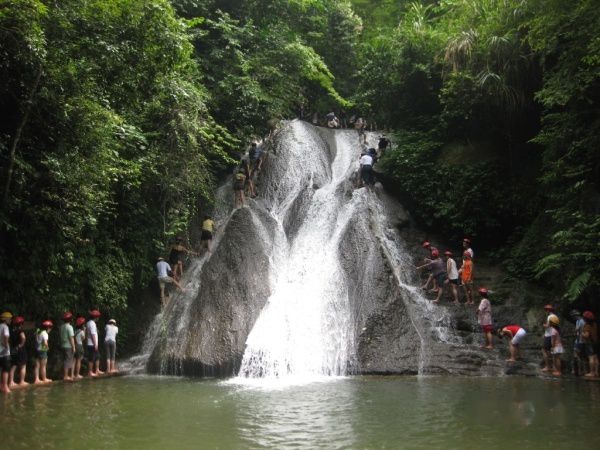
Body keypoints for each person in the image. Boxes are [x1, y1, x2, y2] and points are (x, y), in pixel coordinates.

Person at [9, 315, 27, 387]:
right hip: (20, 349)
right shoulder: (20, 330)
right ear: (21, 323)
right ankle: (22, 381)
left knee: (13, 365)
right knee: (23, 365)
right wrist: (20, 345)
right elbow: (23, 338)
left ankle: (11, 382)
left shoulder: (11, 330)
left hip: (13, 349)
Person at [34, 320, 53, 384]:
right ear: (47, 327)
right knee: (43, 366)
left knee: (37, 365)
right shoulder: (45, 333)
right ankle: (44, 379)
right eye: (50, 328)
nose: (50, 329)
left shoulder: (38, 331)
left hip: (37, 350)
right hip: (43, 350)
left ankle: (36, 379)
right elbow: (45, 342)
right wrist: (47, 347)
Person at [541, 304, 559, 372]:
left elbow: (548, 326)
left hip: (549, 335)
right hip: (554, 334)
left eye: (546, 310)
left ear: (548, 310)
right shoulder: (555, 316)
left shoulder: (550, 317)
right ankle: (554, 367)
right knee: (552, 351)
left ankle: (548, 366)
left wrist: (543, 325)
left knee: (544, 350)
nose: (545, 311)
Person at [86, 310, 103, 377]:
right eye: (98, 317)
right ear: (96, 317)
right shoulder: (92, 324)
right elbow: (93, 334)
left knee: (97, 357)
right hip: (92, 344)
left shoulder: (88, 323)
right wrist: (95, 344)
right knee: (91, 358)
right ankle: (90, 372)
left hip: (90, 343)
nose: (98, 318)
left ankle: (97, 370)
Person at [60, 311, 76, 381]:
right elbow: (71, 338)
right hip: (68, 346)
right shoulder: (70, 327)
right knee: (67, 361)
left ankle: (65, 375)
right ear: (70, 319)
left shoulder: (61, 327)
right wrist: (74, 347)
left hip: (63, 345)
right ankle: (66, 376)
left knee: (65, 360)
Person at [581, 310, 598, 378]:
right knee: (596, 358)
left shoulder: (587, 325)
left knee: (591, 358)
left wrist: (582, 333)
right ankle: (596, 372)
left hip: (589, 343)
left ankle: (592, 372)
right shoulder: (594, 324)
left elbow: (586, 335)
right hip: (595, 342)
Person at [571, 310, 586, 376]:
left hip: (580, 340)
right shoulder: (578, 321)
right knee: (577, 355)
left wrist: (575, 332)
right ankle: (578, 370)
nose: (573, 318)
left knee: (577, 355)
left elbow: (578, 330)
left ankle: (580, 370)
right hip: (578, 340)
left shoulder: (581, 321)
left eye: (573, 316)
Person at [0, 312, 12, 394]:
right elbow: (6, 337)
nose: (10, 320)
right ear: (5, 319)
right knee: (5, 370)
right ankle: (5, 387)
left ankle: (1, 386)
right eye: (9, 319)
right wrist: (6, 347)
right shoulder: (5, 327)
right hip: (4, 352)